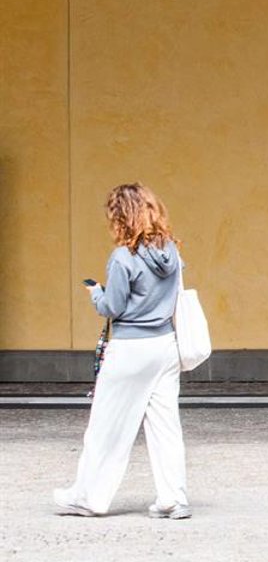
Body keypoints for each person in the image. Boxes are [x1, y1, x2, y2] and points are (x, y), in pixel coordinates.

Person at [52, 183, 192, 519]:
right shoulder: (172, 252)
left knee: (105, 426)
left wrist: (96, 294)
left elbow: (112, 307)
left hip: (130, 348)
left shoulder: (122, 258)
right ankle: (173, 499)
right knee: (165, 426)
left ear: (120, 217)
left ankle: (88, 497)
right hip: (166, 346)